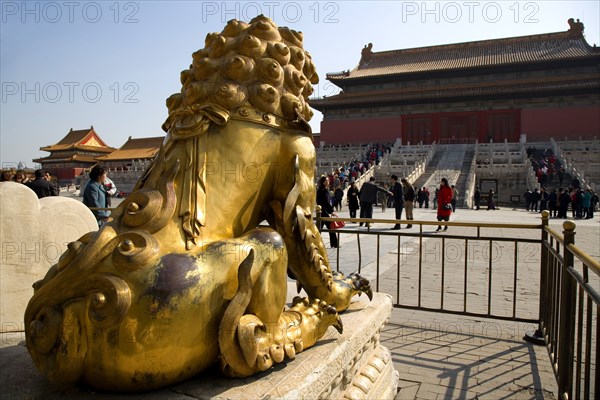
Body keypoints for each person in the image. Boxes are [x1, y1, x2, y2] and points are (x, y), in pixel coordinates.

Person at [316, 176, 338, 248]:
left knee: (319, 229)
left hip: (320, 212)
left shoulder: (320, 190)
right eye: (326, 181)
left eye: (328, 181)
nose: (327, 182)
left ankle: (316, 243)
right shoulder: (324, 191)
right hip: (324, 212)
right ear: (323, 182)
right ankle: (334, 244)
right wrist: (331, 211)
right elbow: (326, 202)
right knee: (331, 228)